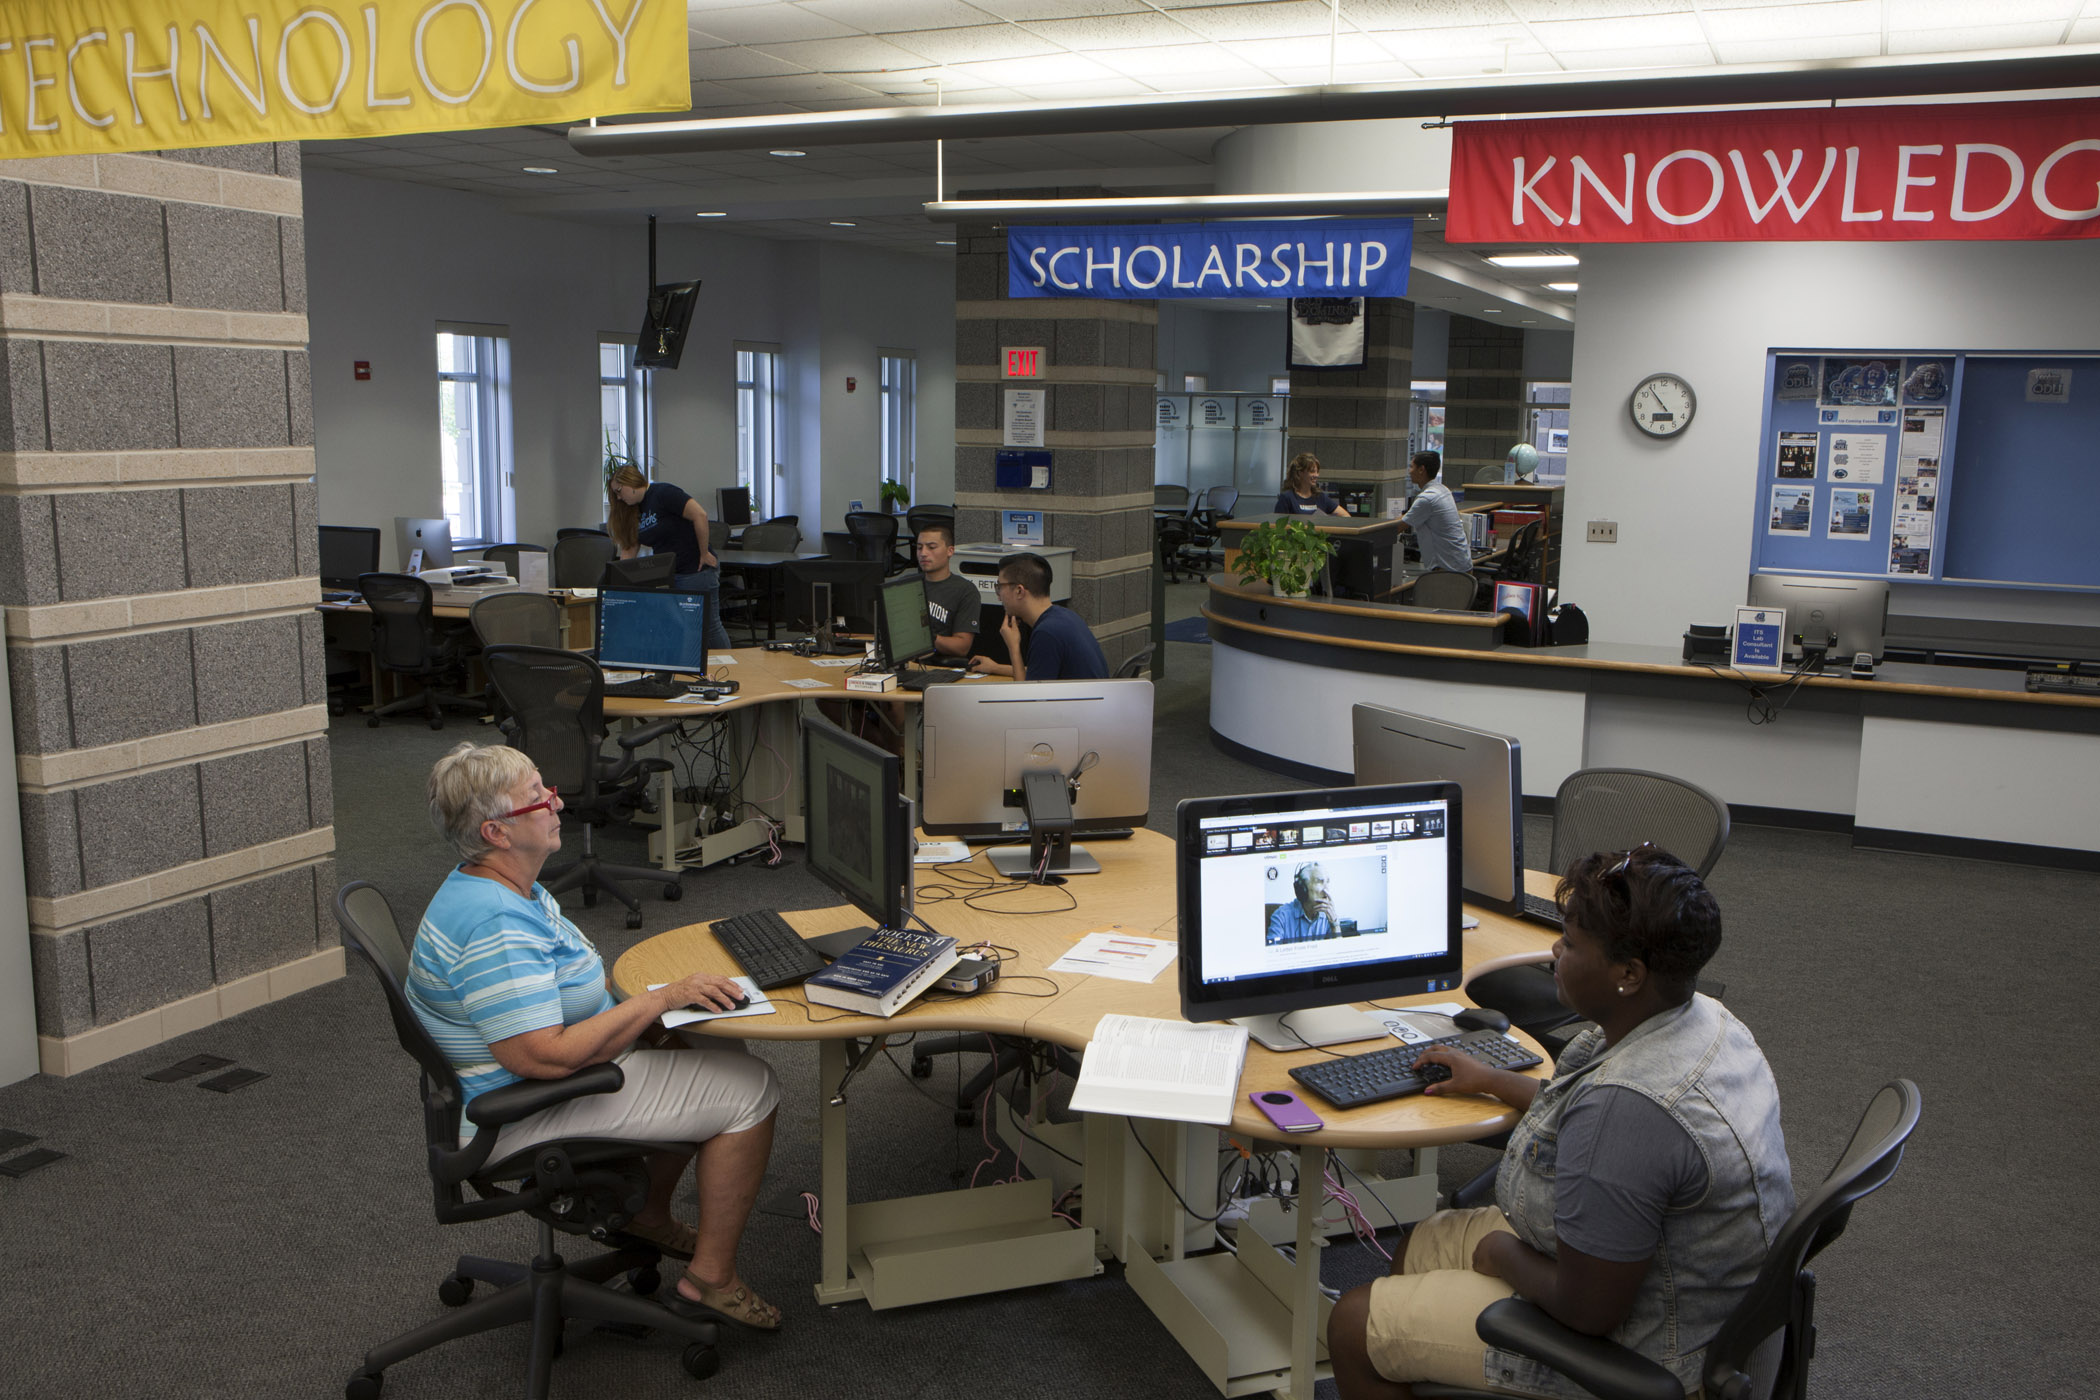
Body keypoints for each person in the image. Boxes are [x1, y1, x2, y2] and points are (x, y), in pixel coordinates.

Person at [1328, 845, 1793, 1400]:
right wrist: (1492, 1078)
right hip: (1679, 1287)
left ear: (1628, 973)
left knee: (1354, 1324)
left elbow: (1588, 1309)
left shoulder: (1630, 1111)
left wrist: (1503, 1255)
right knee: (1425, 1244)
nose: (1554, 951)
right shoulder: (1700, 1019)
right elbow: (1588, 1113)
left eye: (1571, 945)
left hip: (1645, 1347)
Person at [407, 742, 785, 1330]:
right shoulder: (494, 924)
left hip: (530, 1081)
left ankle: (650, 1215)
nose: (556, 801)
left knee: (713, 1044)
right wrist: (658, 999)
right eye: (537, 798)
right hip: (518, 1111)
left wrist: (654, 1017)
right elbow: (541, 1056)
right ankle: (709, 1281)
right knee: (752, 1087)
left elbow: (568, 990)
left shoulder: (512, 886)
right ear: (496, 832)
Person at [606, 462, 734, 653]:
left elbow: (700, 515)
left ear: (631, 483)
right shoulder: (632, 510)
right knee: (683, 629)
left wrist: (704, 553)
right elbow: (629, 549)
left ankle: (731, 666)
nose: (618, 497)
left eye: (619, 491)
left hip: (695, 570)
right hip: (670, 575)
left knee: (709, 626)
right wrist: (622, 581)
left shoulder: (663, 493)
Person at [967, 551, 1109, 682]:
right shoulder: (1064, 616)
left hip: (1078, 709)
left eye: (1000, 587)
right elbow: (1039, 670)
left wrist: (1013, 647)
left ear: (1019, 591)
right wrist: (995, 668)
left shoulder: (1047, 633)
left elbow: (1028, 699)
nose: (999, 597)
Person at [913, 522, 980, 660]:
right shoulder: (907, 584)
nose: (923, 553)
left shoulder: (965, 590)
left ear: (950, 551)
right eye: (919, 548)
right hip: (906, 662)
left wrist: (927, 638)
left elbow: (962, 647)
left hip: (940, 665)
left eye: (931, 547)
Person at [1399, 451, 1473, 577]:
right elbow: (1406, 518)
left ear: (1421, 469)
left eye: (1412, 466)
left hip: (1448, 572)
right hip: (1462, 567)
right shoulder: (1443, 490)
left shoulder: (1427, 499)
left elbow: (1398, 527)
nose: (1409, 471)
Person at [1267, 863, 1338, 944]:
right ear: (1303, 888)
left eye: (1327, 882)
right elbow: (1272, 951)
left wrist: (1335, 924)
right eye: (1319, 882)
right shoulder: (1281, 916)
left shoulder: (1328, 915)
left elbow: (1338, 952)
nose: (1327, 889)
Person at [1275, 452, 1349, 517]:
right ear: (1300, 473)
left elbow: (1345, 516)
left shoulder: (1320, 497)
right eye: (1312, 471)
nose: (1316, 475)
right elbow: (1278, 525)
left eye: (1317, 472)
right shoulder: (1287, 498)